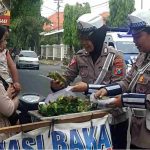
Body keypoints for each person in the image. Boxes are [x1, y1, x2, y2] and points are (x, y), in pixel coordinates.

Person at [73, 9, 150, 149]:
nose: (134, 40)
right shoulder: (142, 57)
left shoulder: (118, 56)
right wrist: (105, 90)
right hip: (138, 132)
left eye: (138, 36)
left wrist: (123, 100)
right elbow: (126, 82)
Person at [51, 13, 129, 149]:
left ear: (97, 37)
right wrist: (56, 85)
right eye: (81, 38)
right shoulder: (79, 57)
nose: (84, 42)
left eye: (87, 39)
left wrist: (87, 88)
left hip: (114, 121)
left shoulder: (115, 57)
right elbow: (66, 77)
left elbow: (118, 87)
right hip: (90, 121)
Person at [0, 26, 21, 95]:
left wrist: (16, 82)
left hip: (7, 84)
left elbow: (12, 66)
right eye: (4, 40)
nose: (6, 42)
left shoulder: (5, 52)